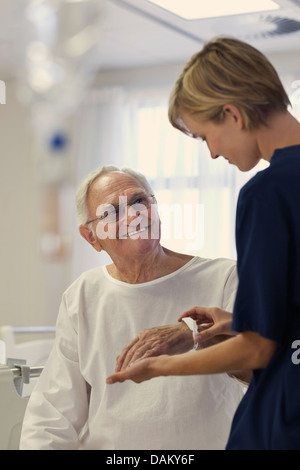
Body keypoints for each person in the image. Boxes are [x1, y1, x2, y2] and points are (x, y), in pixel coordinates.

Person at [106, 37, 300, 450]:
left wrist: (161, 368)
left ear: (232, 114)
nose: (212, 154)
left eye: (204, 136)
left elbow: (259, 349)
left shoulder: (267, 193)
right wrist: (236, 320)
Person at [20, 165, 246, 450]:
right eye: (112, 211)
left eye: (140, 201)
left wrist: (194, 334)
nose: (133, 215)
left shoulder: (224, 278)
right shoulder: (83, 295)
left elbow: (258, 366)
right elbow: (53, 413)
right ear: (91, 237)